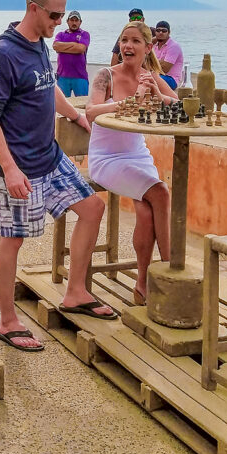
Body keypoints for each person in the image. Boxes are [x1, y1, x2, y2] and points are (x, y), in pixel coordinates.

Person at [0, 0, 112, 353]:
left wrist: (76, 115)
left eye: (62, 14)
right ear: (33, 8)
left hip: (49, 156)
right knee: (14, 238)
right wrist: (9, 169)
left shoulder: (39, 44)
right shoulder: (3, 55)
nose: (59, 21)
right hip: (17, 164)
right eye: (54, 14)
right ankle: (8, 321)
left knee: (92, 207)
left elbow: (48, 84)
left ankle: (76, 292)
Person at [86, 21, 176, 305]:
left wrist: (158, 95)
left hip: (138, 156)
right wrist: (131, 102)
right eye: (124, 40)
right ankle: (171, 272)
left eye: (136, 41)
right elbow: (91, 112)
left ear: (148, 48)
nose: (128, 46)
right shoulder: (105, 76)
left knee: (148, 213)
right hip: (106, 159)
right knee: (160, 192)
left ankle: (143, 284)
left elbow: (177, 104)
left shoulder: (150, 75)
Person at [52, 10, 90, 96]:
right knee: (62, 106)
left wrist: (62, 48)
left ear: (80, 22)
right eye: (72, 20)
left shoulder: (84, 34)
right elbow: (55, 46)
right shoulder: (60, 35)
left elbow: (81, 48)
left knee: (82, 105)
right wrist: (74, 45)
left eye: (76, 20)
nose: (74, 23)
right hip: (62, 77)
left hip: (80, 76)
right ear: (67, 21)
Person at [151, 20, 184, 91]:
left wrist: (151, 63)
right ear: (155, 32)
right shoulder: (154, 46)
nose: (160, 33)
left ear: (169, 33)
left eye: (164, 31)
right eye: (158, 30)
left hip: (171, 79)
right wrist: (159, 62)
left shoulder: (173, 46)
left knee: (149, 79)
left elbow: (165, 69)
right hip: (157, 75)